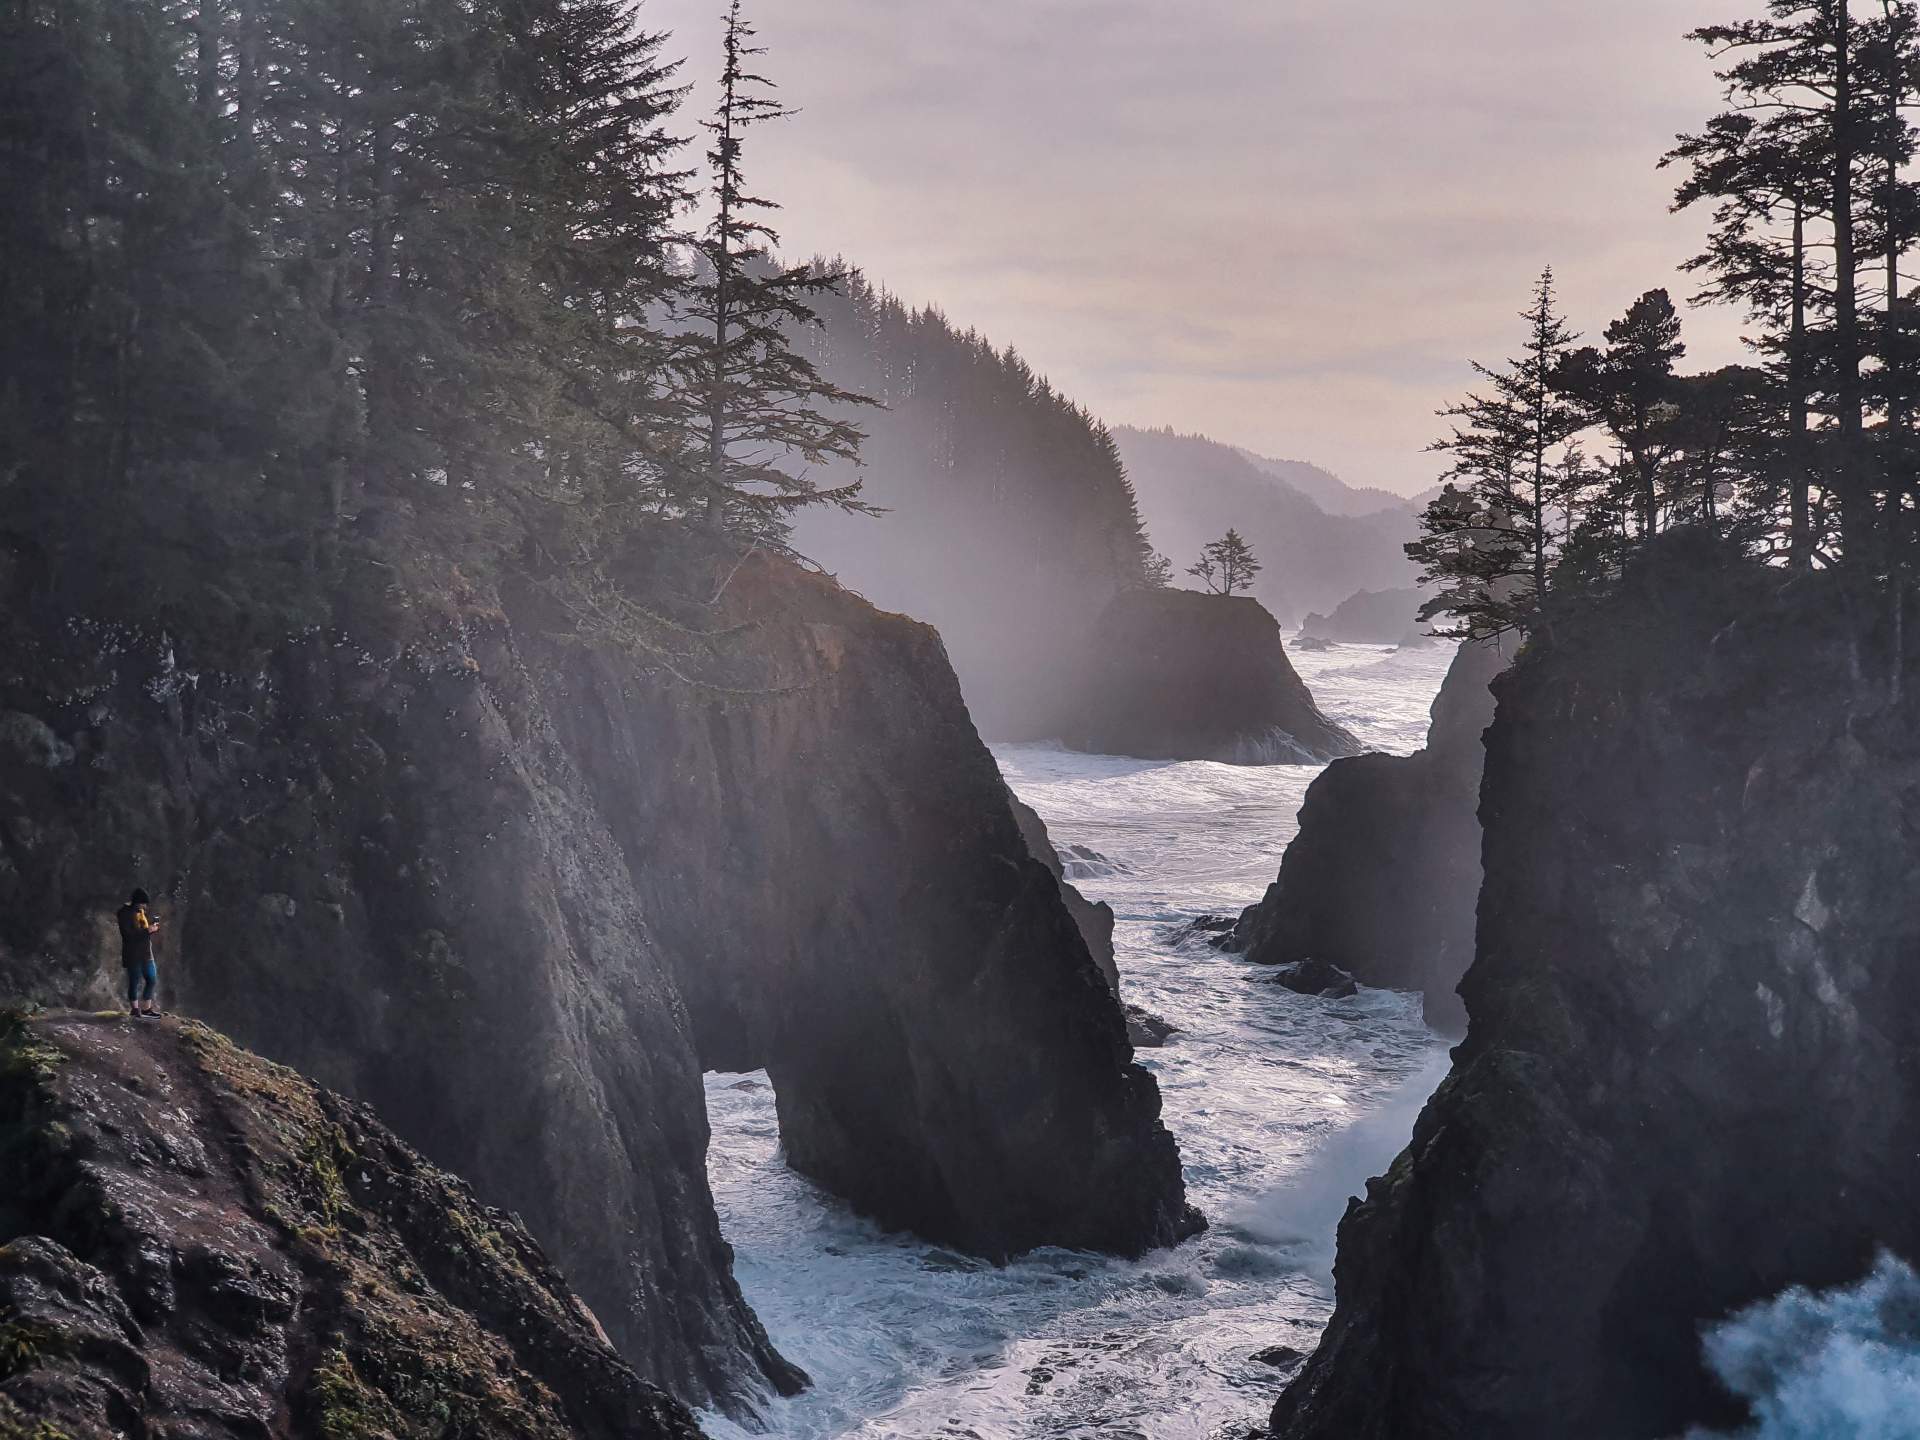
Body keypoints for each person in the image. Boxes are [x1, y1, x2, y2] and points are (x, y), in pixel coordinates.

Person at [116, 888, 163, 1018]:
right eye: (143, 903)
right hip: (132, 953)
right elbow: (128, 935)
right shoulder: (124, 914)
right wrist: (147, 931)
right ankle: (135, 1010)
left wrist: (151, 929)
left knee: (151, 978)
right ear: (137, 902)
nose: (145, 906)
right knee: (134, 981)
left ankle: (147, 1009)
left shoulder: (140, 912)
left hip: (146, 952)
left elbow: (143, 932)